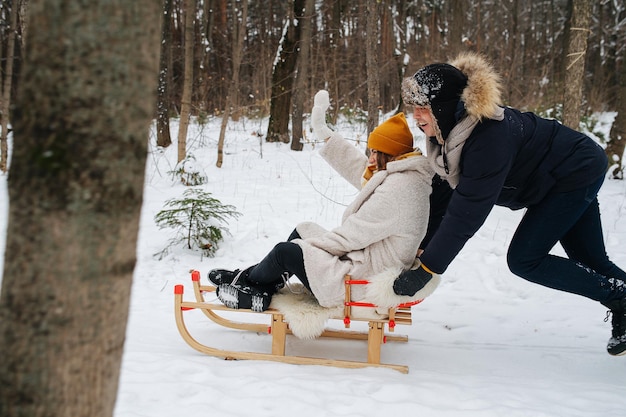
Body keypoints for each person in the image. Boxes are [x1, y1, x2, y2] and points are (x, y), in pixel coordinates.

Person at [393, 51, 626, 356]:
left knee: (525, 259)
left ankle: (620, 299)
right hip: (562, 175)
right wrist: (424, 245)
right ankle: (621, 299)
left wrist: (428, 268)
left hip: (573, 172)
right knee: (592, 262)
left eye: (422, 108)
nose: (416, 117)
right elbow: (446, 194)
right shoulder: (450, 137)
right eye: (414, 108)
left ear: (444, 107)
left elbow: (468, 211)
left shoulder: (488, 138)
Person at [209, 90, 434, 312]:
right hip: (367, 263)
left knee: (286, 252)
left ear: (392, 155)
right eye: (371, 152)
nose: (371, 159)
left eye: (377, 153)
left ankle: (250, 284)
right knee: (304, 230)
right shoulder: (403, 176)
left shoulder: (397, 191)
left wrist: (305, 249)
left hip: (362, 280)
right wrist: (324, 131)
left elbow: (351, 236)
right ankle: (262, 280)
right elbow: (364, 171)